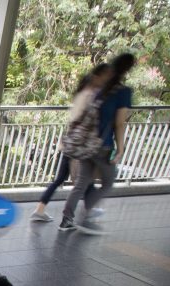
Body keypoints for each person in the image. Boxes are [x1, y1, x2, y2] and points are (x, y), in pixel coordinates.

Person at [58, 53, 135, 233]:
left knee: (81, 183)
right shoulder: (123, 92)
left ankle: (66, 219)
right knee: (108, 182)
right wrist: (120, 149)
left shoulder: (99, 90)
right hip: (103, 144)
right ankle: (86, 215)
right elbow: (119, 123)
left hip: (86, 143)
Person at [30, 63, 110, 223]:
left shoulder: (80, 97)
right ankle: (83, 211)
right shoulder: (89, 99)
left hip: (69, 144)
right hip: (78, 147)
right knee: (83, 180)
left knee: (63, 179)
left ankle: (40, 209)